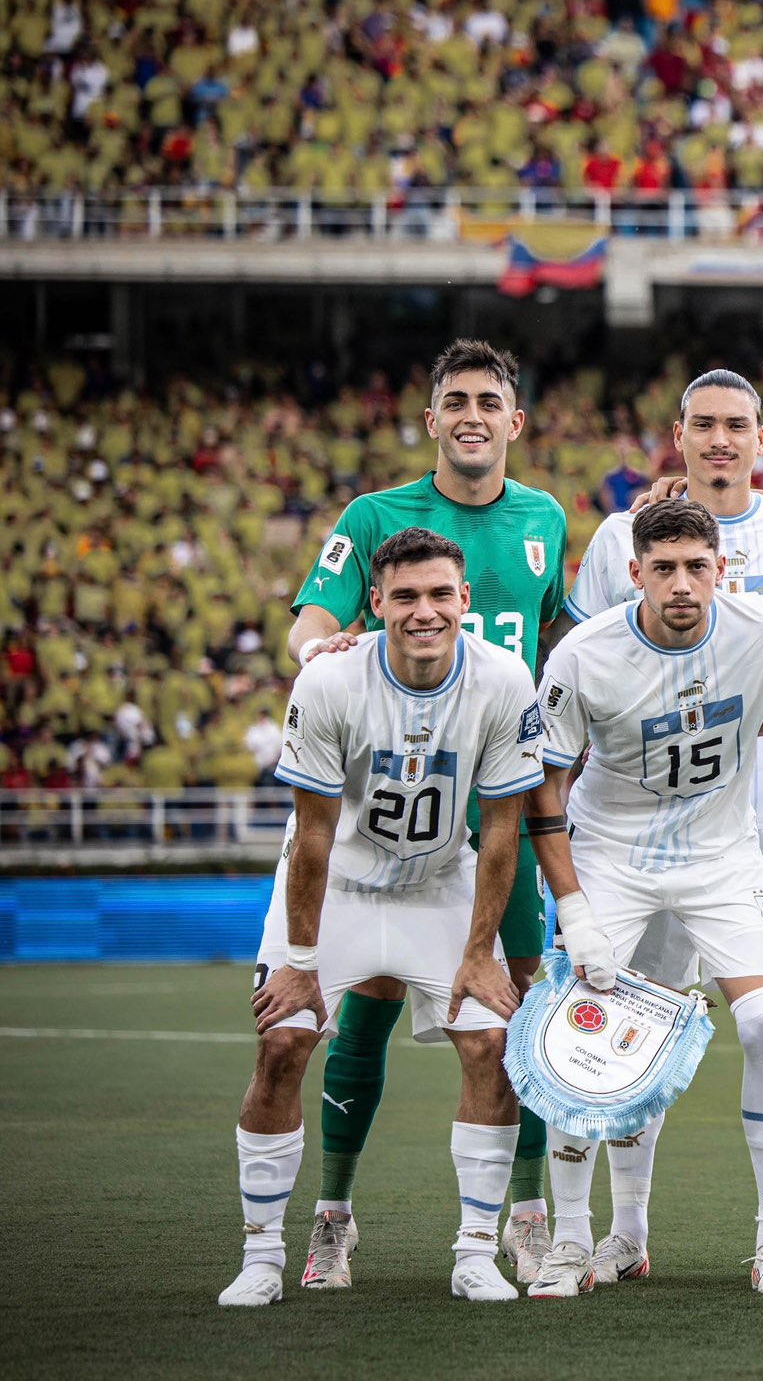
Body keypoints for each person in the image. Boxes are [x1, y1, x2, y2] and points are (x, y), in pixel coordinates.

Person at [520, 498, 763, 1297]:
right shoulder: (584, 655)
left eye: (697, 566)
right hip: (612, 857)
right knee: (587, 1044)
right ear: (635, 576)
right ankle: (581, 1240)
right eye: (663, 569)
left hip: (722, 857)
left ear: (720, 568)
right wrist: (577, 910)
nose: (682, 584)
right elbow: (544, 791)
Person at [287, 340, 569, 1289]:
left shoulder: (545, 517)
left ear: (514, 421)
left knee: (514, 1017)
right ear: (432, 420)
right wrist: (322, 652)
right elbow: (313, 623)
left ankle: (525, 1216)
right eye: (456, 401)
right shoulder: (376, 517)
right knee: (360, 1013)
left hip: (501, 805)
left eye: (491, 400)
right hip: (395, 807)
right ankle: (332, 1217)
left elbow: (558, 631)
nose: (473, 415)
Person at [216, 530, 545, 1307]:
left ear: (466, 601)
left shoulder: (504, 678)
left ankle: (473, 1253)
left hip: (440, 883)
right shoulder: (330, 683)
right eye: (405, 597)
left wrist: (477, 954)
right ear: (376, 604)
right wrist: (300, 959)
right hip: (341, 887)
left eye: (439, 595)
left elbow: (501, 831)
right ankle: (262, 1255)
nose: (423, 612)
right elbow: (314, 838)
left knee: (491, 1044)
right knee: (282, 1046)